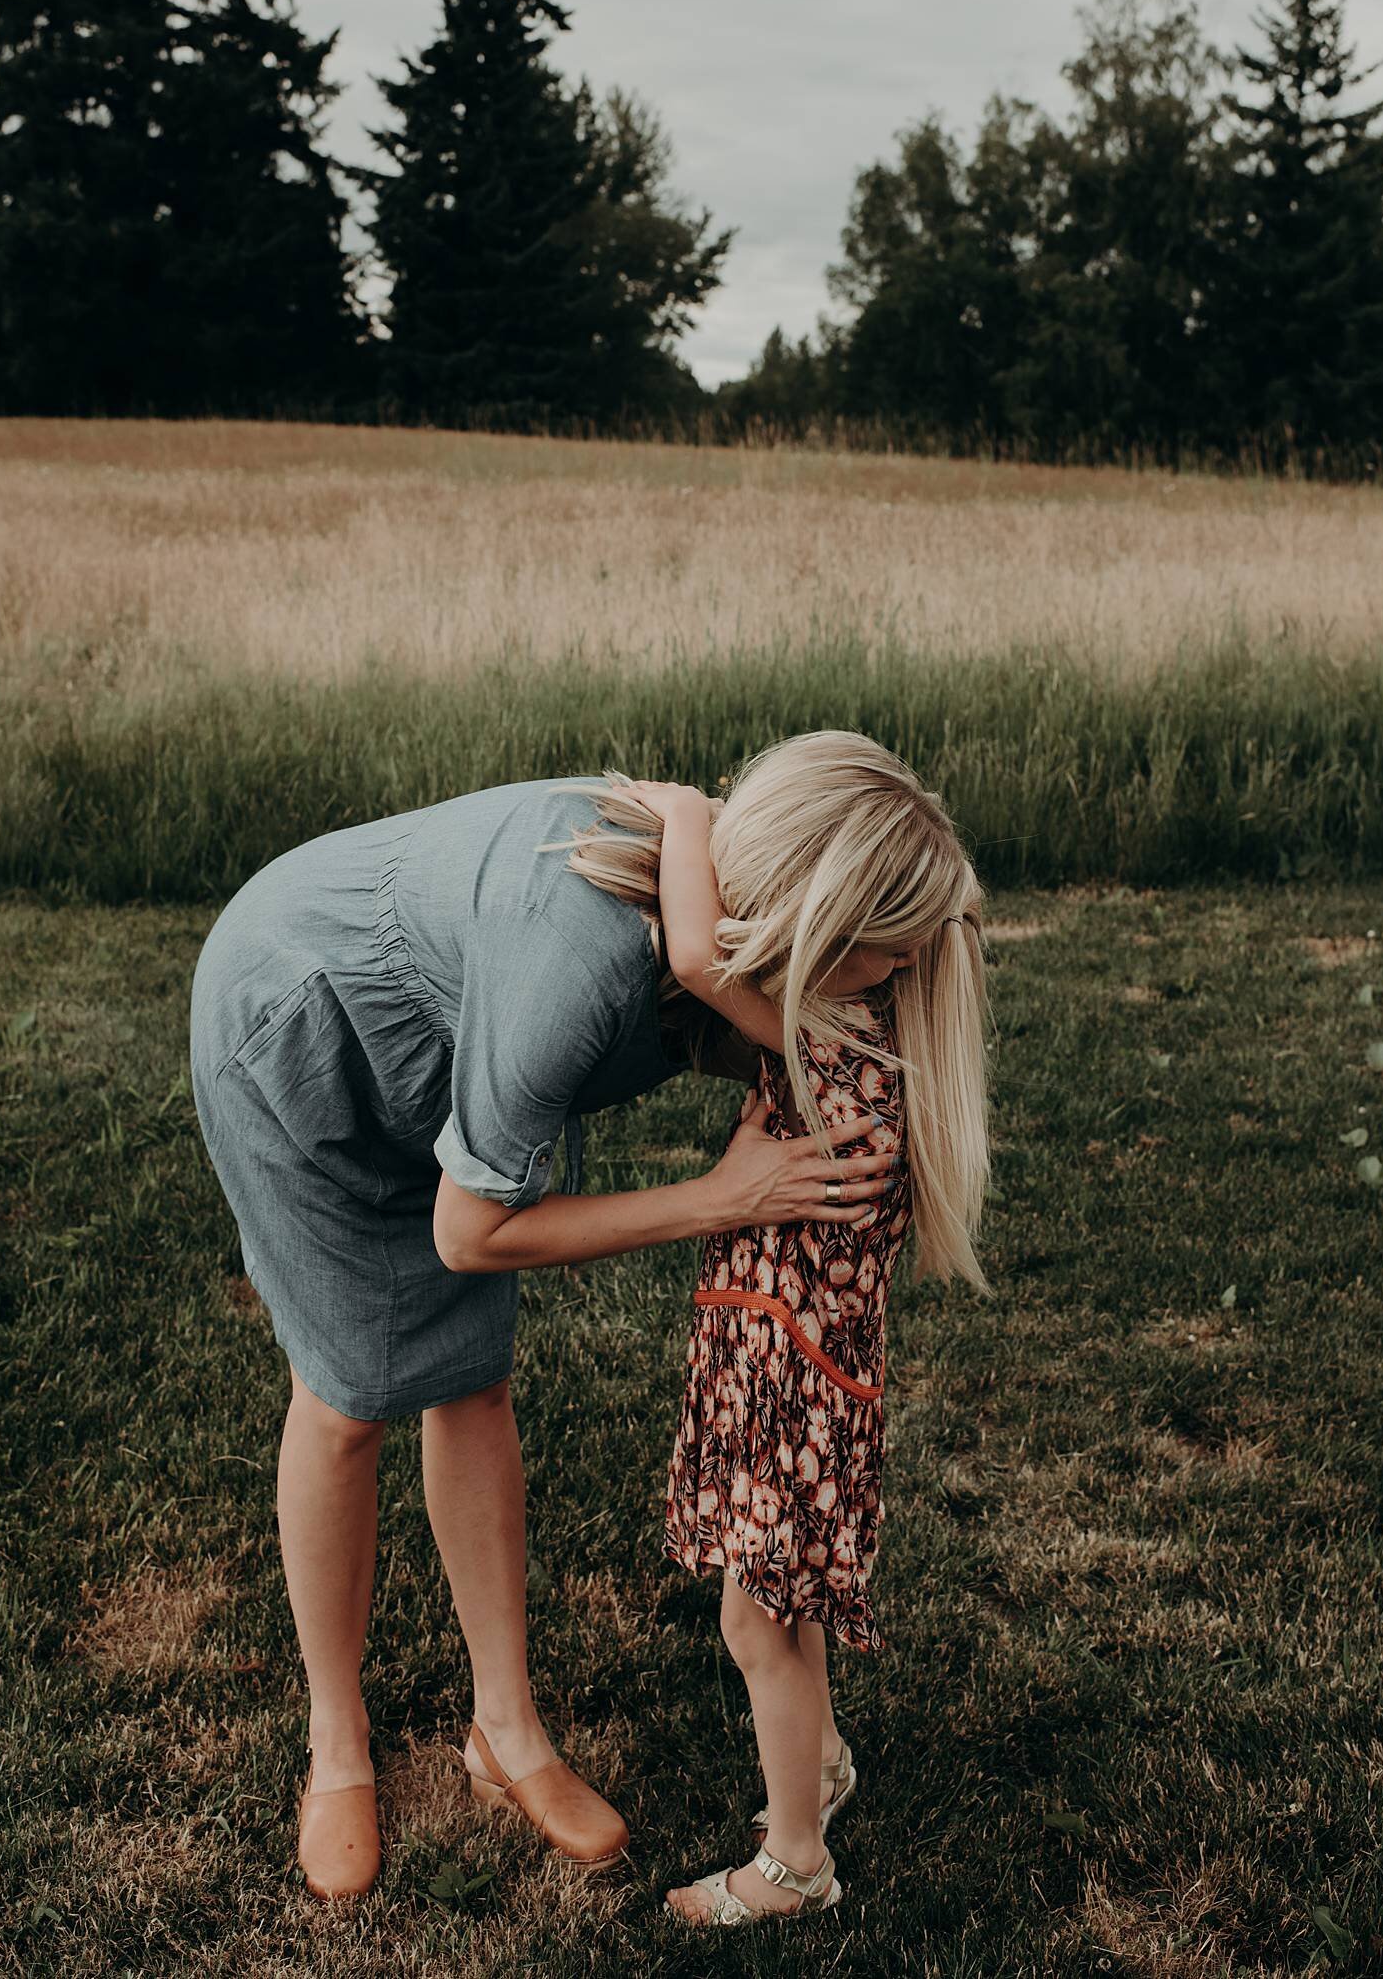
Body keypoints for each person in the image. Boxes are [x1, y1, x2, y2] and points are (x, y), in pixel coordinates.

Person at [187, 741, 895, 1898]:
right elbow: (473, 1234)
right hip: (293, 1034)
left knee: (471, 1379)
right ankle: (337, 1745)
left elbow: (740, 967)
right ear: (816, 921)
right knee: (347, 1397)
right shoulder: (576, 967)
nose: (887, 985)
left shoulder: (708, 909)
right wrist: (722, 1199)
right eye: (887, 957)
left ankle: (503, 1733)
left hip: (449, 1059)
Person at [628, 759, 990, 1927]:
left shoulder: (836, 1043)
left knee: (757, 1619)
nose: (894, 969)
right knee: (788, 1608)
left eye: (894, 953)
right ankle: (820, 1761)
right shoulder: (867, 1038)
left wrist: (689, 812)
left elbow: (692, 955)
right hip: (796, 1371)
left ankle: (796, 1864)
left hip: (791, 1384)